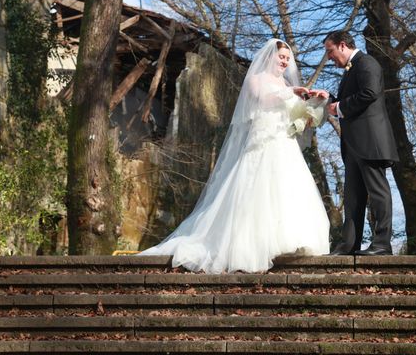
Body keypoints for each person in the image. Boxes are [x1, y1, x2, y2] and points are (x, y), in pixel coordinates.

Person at [138, 39, 330, 272]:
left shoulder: (288, 83)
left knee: (287, 188)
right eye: (281, 57)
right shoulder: (256, 79)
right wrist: (290, 92)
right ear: (270, 56)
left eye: (287, 59)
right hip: (261, 142)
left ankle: (289, 241)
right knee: (254, 191)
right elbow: (262, 99)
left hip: (283, 142)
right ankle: (250, 245)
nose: (284, 62)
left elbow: (295, 113)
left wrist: (313, 101)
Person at [311, 31, 398, 255]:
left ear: (342, 45)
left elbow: (370, 93)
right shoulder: (351, 69)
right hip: (353, 145)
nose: (329, 57)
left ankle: (382, 244)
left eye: (330, 51)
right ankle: (349, 245)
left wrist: (338, 108)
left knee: (378, 193)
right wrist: (329, 98)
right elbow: (353, 97)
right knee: (352, 197)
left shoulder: (366, 62)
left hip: (370, 141)